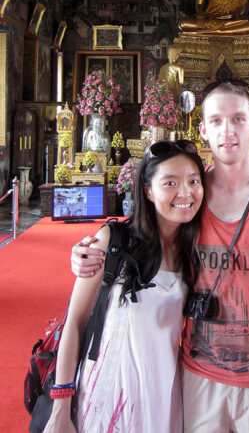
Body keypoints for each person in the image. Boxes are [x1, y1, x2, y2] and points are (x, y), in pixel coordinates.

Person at [71, 81, 249, 433]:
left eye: (238, 119)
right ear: (202, 129)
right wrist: (87, 252)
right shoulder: (191, 196)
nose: (228, 131)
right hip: (199, 375)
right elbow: (138, 235)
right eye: (216, 121)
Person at [44, 140, 205, 433]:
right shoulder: (114, 241)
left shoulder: (195, 249)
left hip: (163, 395)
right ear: (148, 190)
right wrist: (60, 406)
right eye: (170, 182)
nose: (185, 192)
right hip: (108, 389)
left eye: (194, 181)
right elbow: (75, 322)